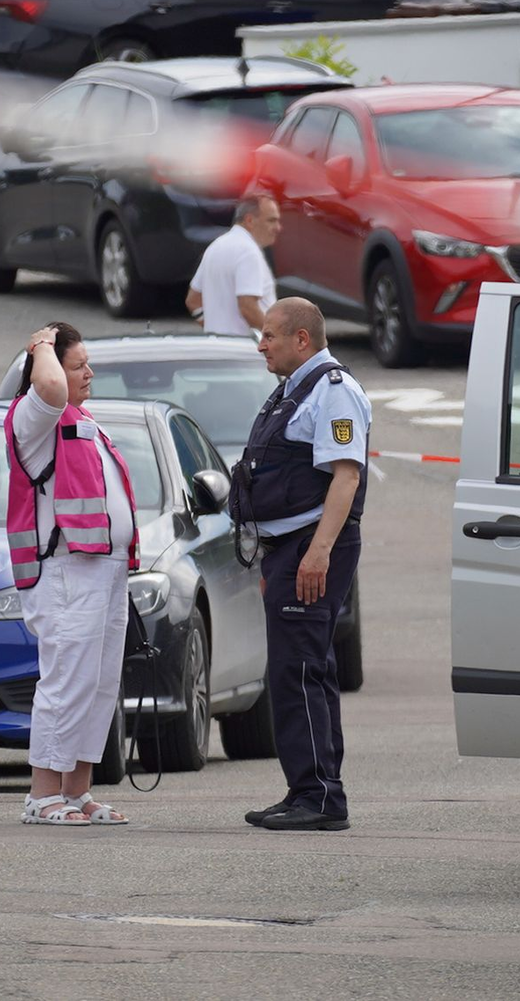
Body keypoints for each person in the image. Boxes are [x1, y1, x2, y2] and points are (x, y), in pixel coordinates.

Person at [229, 297, 371, 832]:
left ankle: (321, 798)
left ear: (302, 339)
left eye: (269, 335)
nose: (261, 344)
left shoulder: (333, 393)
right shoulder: (294, 391)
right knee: (297, 668)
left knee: (302, 669)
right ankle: (306, 789)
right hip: (291, 549)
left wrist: (317, 552)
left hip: (314, 547)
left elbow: (347, 476)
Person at [4, 321, 139, 827]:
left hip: (103, 568)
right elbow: (49, 387)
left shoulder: (84, 420)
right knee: (67, 678)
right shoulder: (35, 415)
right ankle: (42, 796)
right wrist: (40, 344)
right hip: (66, 569)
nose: (89, 373)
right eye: (78, 364)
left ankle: (77, 791)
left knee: (99, 682)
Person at [185, 192, 281, 336]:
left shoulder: (216, 246)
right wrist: (276, 338)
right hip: (246, 351)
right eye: (271, 220)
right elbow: (248, 307)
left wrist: (213, 330)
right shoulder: (248, 252)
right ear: (249, 220)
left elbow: (193, 300)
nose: (278, 228)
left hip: (220, 347)